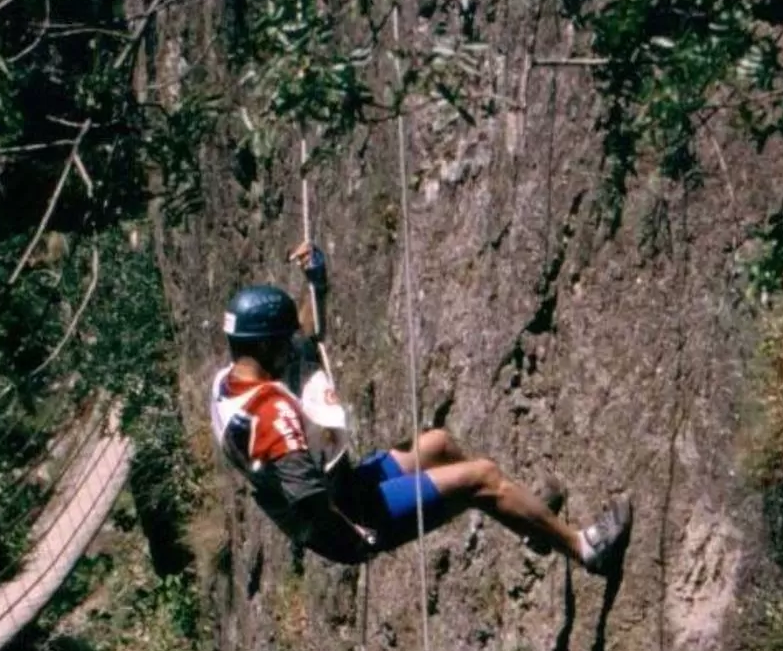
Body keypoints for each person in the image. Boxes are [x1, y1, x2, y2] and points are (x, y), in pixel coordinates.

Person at [211, 243, 632, 571]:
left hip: (347, 489)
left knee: (440, 444)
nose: (292, 348)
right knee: (480, 479)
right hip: (348, 518)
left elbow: (304, 337)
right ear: (265, 346)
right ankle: (585, 549)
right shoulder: (272, 414)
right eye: (283, 343)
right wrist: (357, 536)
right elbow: (306, 496)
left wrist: (314, 286)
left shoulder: (230, 385)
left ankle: (536, 528)